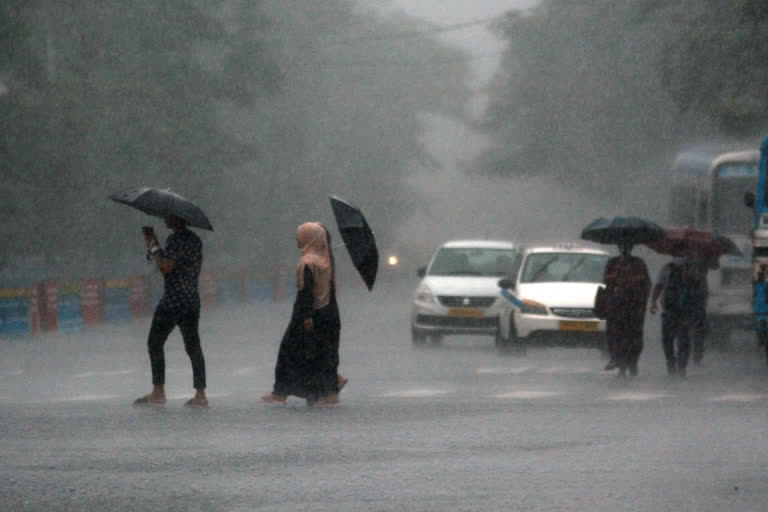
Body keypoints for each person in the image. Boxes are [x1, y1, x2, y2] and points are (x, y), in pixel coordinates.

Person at [262, 222, 344, 407]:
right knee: (325, 353)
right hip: (329, 312)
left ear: (310, 238)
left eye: (301, 235)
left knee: (289, 351)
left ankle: (281, 392)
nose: (298, 239)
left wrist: (306, 316)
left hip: (309, 314)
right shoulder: (326, 260)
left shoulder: (308, 262)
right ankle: (328, 393)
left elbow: (306, 292)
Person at [133, 215, 208, 407]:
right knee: (193, 346)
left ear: (176, 219)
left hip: (173, 301)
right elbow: (197, 269)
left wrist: (154, 245)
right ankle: (200, 395)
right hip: (192, 300)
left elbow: (165, 267)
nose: (165, 218)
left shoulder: (174, 240)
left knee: (155, 342)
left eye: (168, 216)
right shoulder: (195, 240)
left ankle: (158, 392)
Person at [601, 241, 651, 377]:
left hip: (634, 307)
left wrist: (633, 282)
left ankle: (632, 363)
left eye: (627, 247)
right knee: (615, 335)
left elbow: (646, 283)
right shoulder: (613, 263)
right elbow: (605, 280)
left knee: (634, 337)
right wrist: (617, 276)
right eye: (622, 247)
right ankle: (619, 362)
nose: (624, 249)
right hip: (616, 306)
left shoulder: (638, 263)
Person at [650, 257, 692, 376]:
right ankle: (671, 364)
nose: (679, 257)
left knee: (683, 340)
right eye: (678, 254)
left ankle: (682, 366)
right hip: (669, 310)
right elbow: (659, 285)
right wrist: (653, 302)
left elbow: (697, 288)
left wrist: (687, 277)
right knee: (667, 340)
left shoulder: (692, 269)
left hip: (684, 311)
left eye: (682, 254)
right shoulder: (667, 268)